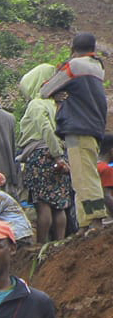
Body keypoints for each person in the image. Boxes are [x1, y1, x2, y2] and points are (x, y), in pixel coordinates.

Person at [37, 31, 106, 221]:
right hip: (93, 128)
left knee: (85, 178)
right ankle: (85, 223)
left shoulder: (74, 66)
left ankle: (95, 219)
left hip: (78, 128)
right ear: (93, 49)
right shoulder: (98, 68)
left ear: (73, 49)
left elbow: (44, 90)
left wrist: (56, 94)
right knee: (82, 176)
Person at [15, 63, 74, 243]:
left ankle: (42, 245)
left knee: (43, 204)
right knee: (59, 204)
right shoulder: (59, 103)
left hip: (41, 156)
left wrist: (55, 154)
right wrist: (60, 155)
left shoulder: (36, 104)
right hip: (61, 154)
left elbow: (45, 128)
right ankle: (60, 242)